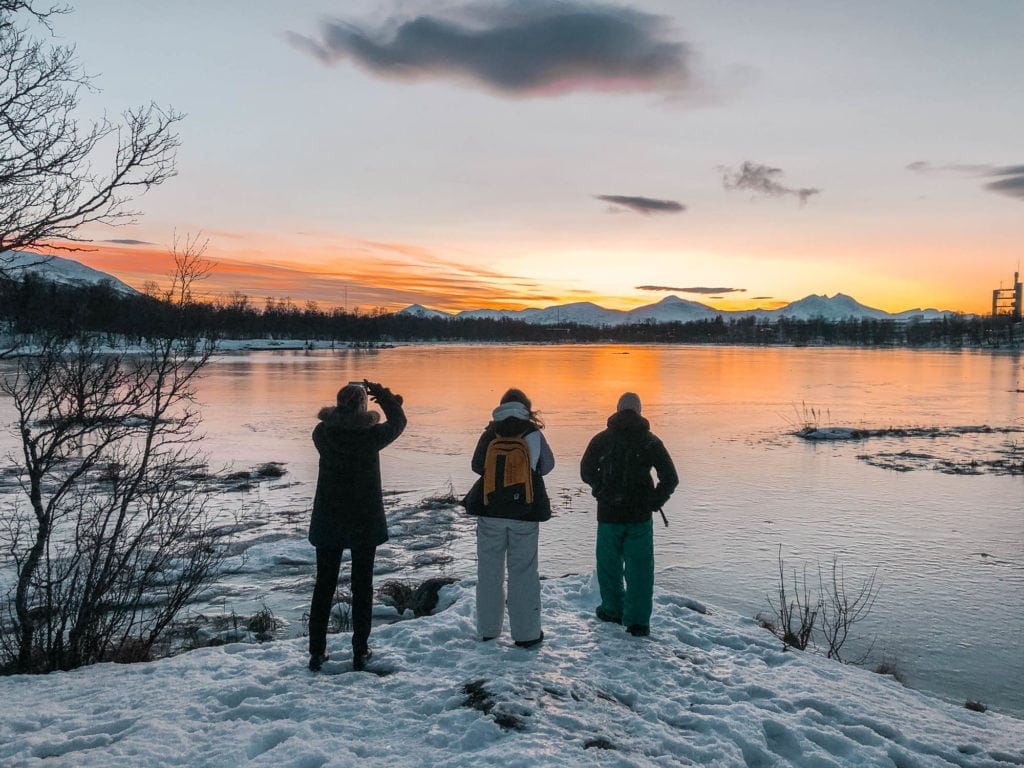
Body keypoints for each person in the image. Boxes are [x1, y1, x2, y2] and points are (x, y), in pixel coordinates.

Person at [307, 380, 406, 671]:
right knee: (362, 587)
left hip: (329, 519)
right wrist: (385, 396)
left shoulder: (322, 433)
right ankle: (360, 651)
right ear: (363, 406)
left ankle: (316, 652)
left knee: (323, 586)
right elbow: (399, 421)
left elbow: (394, 422)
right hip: (364, 520)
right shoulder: (372, 436)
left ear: (338, 404)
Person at [580, 392, 678, 637]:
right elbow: (671, 478)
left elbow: (585, 470)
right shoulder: (650, 441)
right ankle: (637, 622)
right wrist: (655, 501)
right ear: (639, 411)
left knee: (609, 566)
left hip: (608, 516)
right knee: (640, 570)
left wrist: (600, 488)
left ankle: (612, 610)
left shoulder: (601, 439)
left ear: (618, 409)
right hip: (639, 517)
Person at [467, 388, 554, 647]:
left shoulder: (490, 431)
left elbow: (476, 466)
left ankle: (488, 630)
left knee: (489, 572)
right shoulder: (533, 433)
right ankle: (527, 634)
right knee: (524, 573)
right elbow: (547, 467)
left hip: (490, 510)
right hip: (525, 512)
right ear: (527, 407)